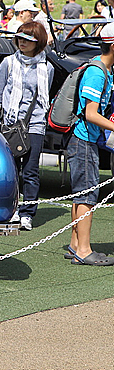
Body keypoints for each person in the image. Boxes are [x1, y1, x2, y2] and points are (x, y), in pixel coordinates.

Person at [0, 22, 54, 231]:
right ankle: (10, 210)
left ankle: (27, 213)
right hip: (9, 123)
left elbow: (43, 98)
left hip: (35, 124)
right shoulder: (8, 63)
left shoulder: (47, 68)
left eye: (28, 39)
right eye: (20, 38)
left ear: (39, 43)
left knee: (30, 170)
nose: (22, 42)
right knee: (10, 169)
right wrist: (8, 114)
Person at [65, 22, 114, 266]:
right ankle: (84, 250)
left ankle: (76, 245)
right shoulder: (97, 72)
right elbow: (91, 113)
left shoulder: (102, 68)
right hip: (83, 139)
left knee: (81, 193)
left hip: (85, 139)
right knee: (87, 195)